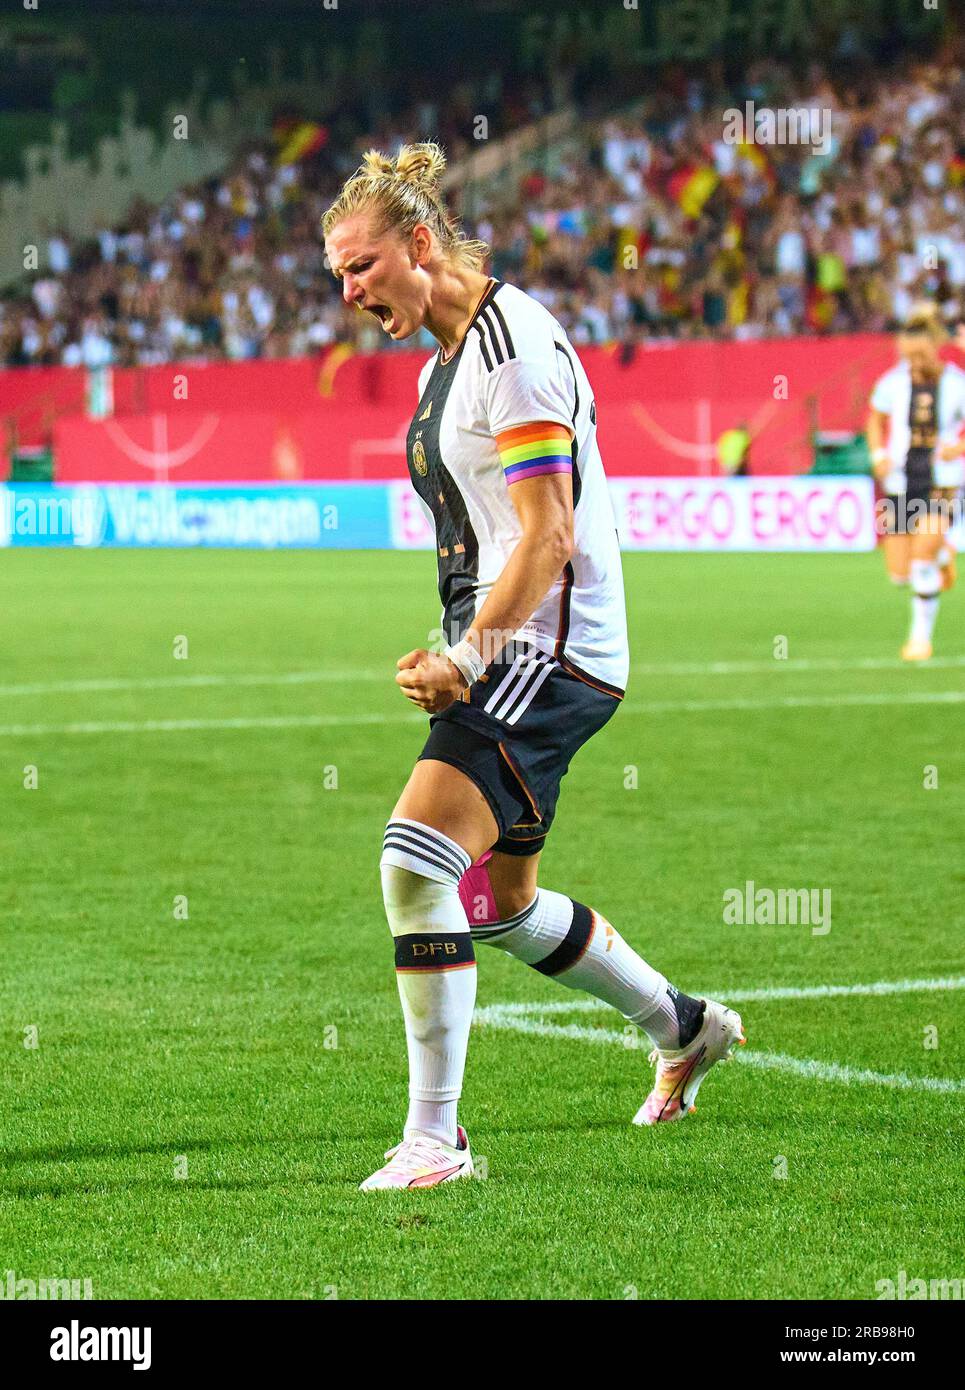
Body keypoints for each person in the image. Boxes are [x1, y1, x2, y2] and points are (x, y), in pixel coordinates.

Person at [322, 143, 745, 1192]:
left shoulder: (514, 347)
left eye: (361, 266)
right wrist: (456, 636)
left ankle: (435, 1140)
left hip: (545, 651)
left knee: (416, 860)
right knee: (499, 903)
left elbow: (545, 534)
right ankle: (682, 1026)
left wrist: (468, 655)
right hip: (521, 645)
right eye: (338, 274)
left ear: (420, 244)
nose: (348, 292)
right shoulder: (444, 362)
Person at [867, 303, 965, 660]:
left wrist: (958, 447)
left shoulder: (956, 384)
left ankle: (920, 639)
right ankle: (944, 553)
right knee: (899, 573)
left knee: (921, 559)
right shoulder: (893, 383)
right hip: (899, 482)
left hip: (942, 481)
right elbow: (874, 421)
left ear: (934, 349)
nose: (916, 363)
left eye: (921, 355)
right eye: (909, 356)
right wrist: (878, 455)